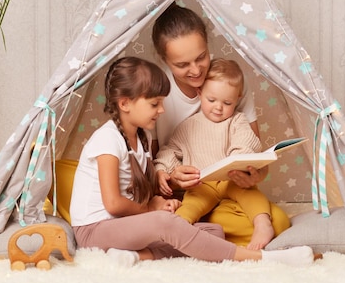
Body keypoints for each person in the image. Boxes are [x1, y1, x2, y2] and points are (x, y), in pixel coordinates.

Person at [69, 56, 314, 266]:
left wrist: (158, 197)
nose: (162, 110)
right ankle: (263, 259)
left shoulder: (143, 137)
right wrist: (151, 208)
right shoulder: (107, 139)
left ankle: (137, 256)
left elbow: (139, 187)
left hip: (125, 227)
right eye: (155, 104)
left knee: (214, 233)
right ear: (125, 104)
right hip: (95, 230)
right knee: (167, 224)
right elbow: (113, 203)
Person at [151, 3, 291, 247]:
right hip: (190, 193)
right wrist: (168, 175)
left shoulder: (230, 79)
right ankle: (195, 232)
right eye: (182, 65)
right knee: (180, 214)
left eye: (201, 57)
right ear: (164, 60)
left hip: (232, 190)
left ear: (208, 47)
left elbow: (254, 153)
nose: (195, 71)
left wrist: (252, 175)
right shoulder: (156, 90)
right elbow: (154, 163)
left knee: (278, 222)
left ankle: (202, 235)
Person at [154, 58, 276, 249]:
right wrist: (163, 169)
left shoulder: (238, 121)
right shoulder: (188, 126)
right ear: (200, 93)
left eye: (227, 102)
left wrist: (238, 160)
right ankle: (176, 233)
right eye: (211, 100)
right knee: (190, 206)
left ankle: (262, 224)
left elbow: (247, 143)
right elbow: (169, 150)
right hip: (202, 184)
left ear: (237, 99)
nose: (218, 107)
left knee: (251, 195)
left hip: (231, 181)